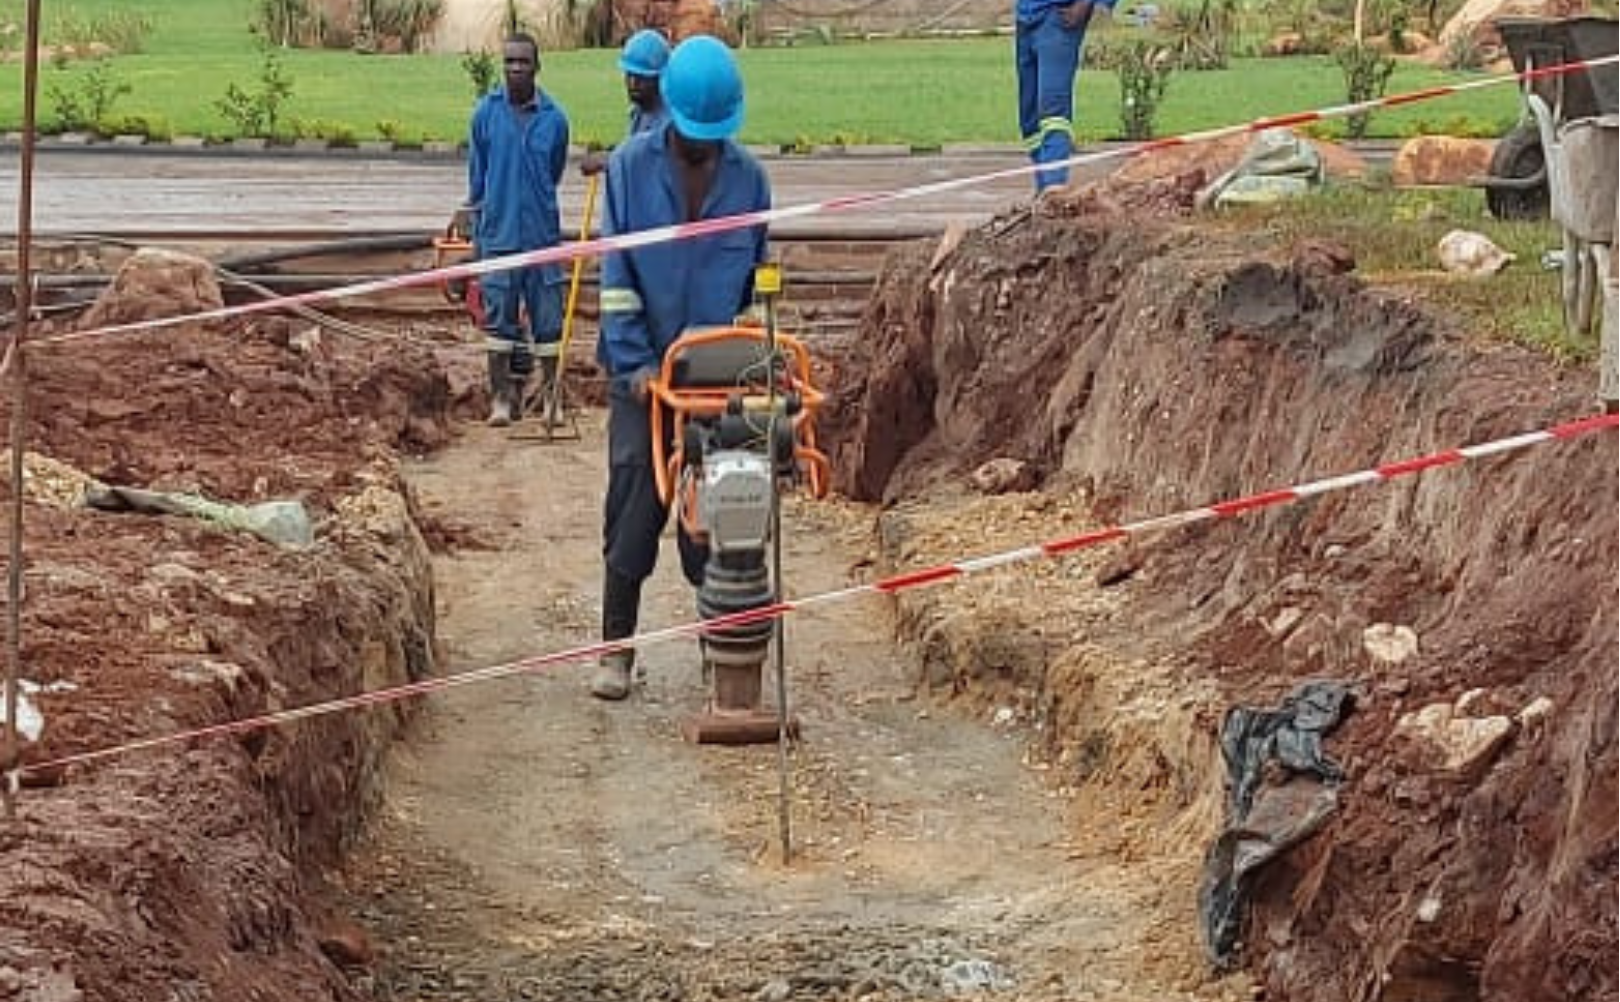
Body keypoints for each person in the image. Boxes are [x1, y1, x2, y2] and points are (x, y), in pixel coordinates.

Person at [590, 34, 771, 701]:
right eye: (693, 137)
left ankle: (719, 643)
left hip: (718, 381)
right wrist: (636, 363)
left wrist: (754, 357)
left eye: (711, 138)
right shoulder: (629, 170)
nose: (701, 148)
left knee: (722, 513)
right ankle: (615, 649)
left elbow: (756, 280)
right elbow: (616, 280)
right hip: (643, 375)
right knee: (635, 507)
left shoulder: (749, 180)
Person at [463, 32, 571, 426]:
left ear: (536, 67)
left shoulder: (555, 120)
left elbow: (554, 170)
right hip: (498, 236)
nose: (515, 69)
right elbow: (477, 179)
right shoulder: (485, 115)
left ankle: (552, 400)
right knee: (499, 322)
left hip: (541, 237)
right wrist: (477, 228)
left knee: (548, 323)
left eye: (523, 62)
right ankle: (501, 401)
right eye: (509, 62)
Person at [1015, 0, 1114, 193]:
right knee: (1029, 120)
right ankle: (1043, 190)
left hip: (1059, 17)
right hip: (1026, 17)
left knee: (1053, 114)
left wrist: (1086, 5)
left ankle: (1054, 191)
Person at [581, 28, 673, 177]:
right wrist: (610, 150)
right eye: (629, 75)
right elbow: (633, 148)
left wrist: (606, 160)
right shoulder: (639, 111)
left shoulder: (669, 119)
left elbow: (649, 162)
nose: (632, 83)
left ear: (659, 77)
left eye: (641, 77)